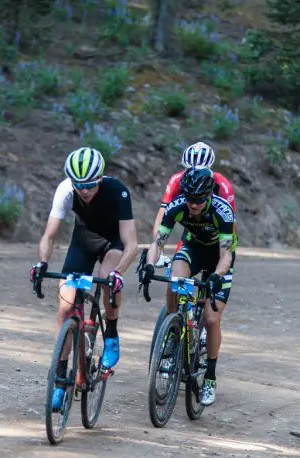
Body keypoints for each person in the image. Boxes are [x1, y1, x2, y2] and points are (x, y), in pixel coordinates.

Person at [30, 146, 139, 411]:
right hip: (84, 241)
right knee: (65, 309)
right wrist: (42, 263)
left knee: (106, 280)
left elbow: (132, 243)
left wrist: (118, 273)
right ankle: (59, 379)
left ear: (99, 178)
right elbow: (50, 235)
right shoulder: (65, 190)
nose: (84, 190)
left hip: (112, 243)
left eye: (90, 184)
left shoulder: (118, 191)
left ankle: (111, 333)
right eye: (80, 185)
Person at [140, 167, 236, 406]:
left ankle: (211, 377)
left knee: (212, 319)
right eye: (191, 200)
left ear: (209, 196)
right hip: (193, 248)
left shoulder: (222, 212)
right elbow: (158, 242)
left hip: (218, 257)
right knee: (175, 279)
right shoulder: (177, 206)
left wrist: (217, 275)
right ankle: (173, 329)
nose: (194, 206)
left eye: (199, 201)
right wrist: (150, 265)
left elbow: (226, 255)